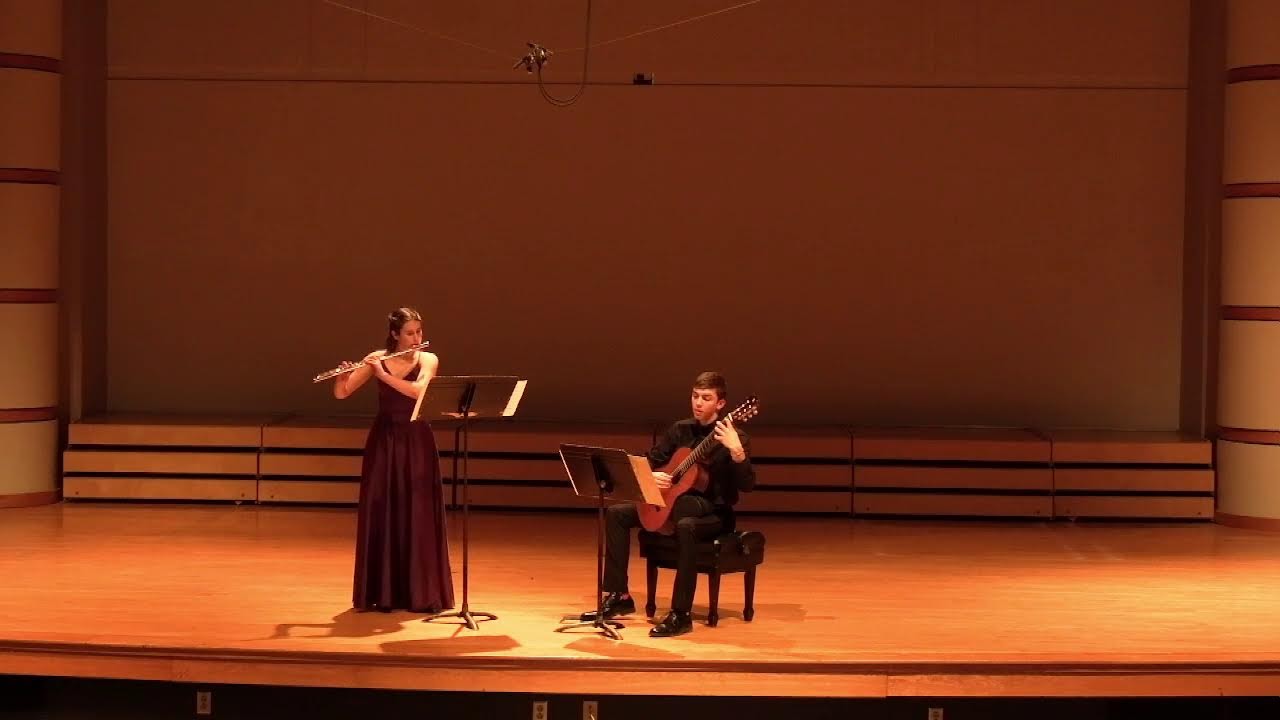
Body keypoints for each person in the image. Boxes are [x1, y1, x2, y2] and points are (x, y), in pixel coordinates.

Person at [584, 371, 755, 637]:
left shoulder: (736, 437)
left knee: (686, 518)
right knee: (617, 513)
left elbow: (747, 485)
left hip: (713, 512)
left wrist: (737, 451)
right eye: (695, 396)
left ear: (721, 404)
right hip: (675, 503)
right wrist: (652, 475)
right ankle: (619, 595)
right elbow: (649, 460)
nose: (698, 403)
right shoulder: (680, 429)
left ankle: (680, 614)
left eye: (706, 398)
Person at [333, 307, 453, 613]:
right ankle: (382, 593)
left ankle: (421, 593)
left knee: (417, 511)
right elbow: (342, 393)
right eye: (410, 333)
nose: (416, 338)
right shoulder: (377, 358)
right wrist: (343, 377)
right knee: (382, 507)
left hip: (416, 440)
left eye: (419, 331)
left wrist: (383, 375)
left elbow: (418, 391)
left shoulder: (427, 359)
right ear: (395, 335)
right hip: (384, 441)